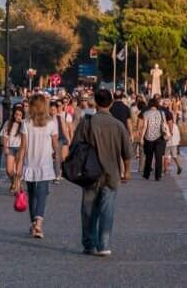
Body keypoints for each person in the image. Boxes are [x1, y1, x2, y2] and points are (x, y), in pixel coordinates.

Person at [73, 88, 131, 257]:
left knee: (88, 209)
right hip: (111, 173)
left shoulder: (87, 122)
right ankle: (104, 244)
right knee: (107, 209)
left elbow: (76, 145)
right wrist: (127, 171)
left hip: (90, 171)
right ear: (111, 103)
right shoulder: (118, 125)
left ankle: (89, 243)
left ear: (95, 103)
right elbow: (126, 152)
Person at [19, 93, 59, 239]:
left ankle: (33, 223)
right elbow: (55, 144)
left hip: (30, 163)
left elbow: (23, 147)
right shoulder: (51, 123)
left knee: (32, 195)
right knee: (42, 194)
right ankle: (38, 224)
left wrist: (19, 166)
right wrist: (56, 155)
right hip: (45, 163)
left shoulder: (26, 123)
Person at [137, 96, 167, 181]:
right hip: (160, 137)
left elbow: (145, 126)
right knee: (158, 158)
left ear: (149, 104)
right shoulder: (162, 113)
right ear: (157, 104)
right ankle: (158, 175)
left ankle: (146, 174)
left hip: (148, 138)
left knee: (149, 157)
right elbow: (164, 125)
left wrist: (142, 138)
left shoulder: (146, 113)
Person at [2, 103, 26, 193]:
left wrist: (22, 123)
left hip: (20, 148)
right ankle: (14, 182)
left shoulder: (24, 124)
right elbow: (4, 136)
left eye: (20, 115)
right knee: (9, 170)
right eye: (16, 114)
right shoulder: (8, 123)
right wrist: (5, 147)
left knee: (18, 170)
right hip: (10, 147)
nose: (18, 116)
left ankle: (17, 186)